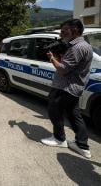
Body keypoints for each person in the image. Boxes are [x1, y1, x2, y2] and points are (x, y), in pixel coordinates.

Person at [41, 19, 93, 159]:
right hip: (74, 88)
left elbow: (63, 69)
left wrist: (52, 58)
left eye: (64, 31)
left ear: (74, 30)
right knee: (74, 115)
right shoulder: (85, 45)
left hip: (64, 88)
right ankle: (82, 145)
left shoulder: (76, 48)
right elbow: (69, 64)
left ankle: (59, 139)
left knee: (55, 112)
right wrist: (59, 56)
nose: (61, 33)